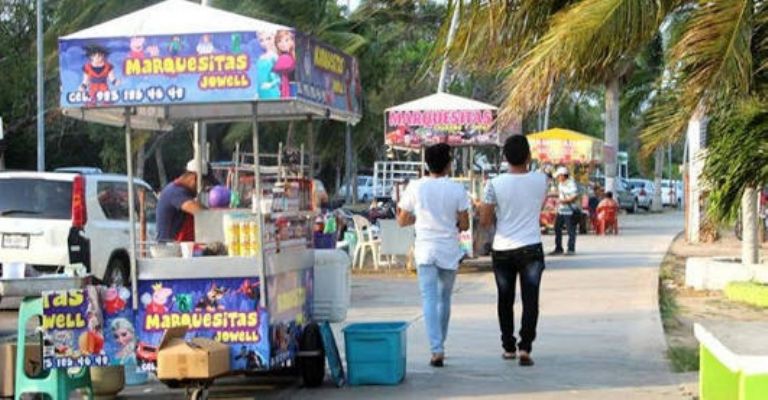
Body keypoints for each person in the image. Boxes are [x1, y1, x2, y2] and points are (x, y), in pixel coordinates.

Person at [397, 143, 470, 368]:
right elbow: (465, 224)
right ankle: (440, 343)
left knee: (428, 298)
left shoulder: (415, 187)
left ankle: (436, 348)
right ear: (448, 164)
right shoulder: (457, 189)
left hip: (425, 249)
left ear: (427, 164)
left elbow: (402, 220)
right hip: (448, 249)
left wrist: (418, 218)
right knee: (444, 298)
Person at [478, 135, 547, 367]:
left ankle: (508, 346)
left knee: (505, 299)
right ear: (529, 156)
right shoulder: (541, 180)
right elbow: (539, 207)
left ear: (505, 157)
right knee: (531, 299)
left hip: (503, 248)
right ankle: (525, 347)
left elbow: (485, 220)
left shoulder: (493, 184)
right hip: (531, 246)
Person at [156, 160, 206, 242]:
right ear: (194, 178)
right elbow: (200, 211)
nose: (203, 188)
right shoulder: (175, 191)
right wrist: (217, 214)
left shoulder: (183, 193)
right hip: (169, 247)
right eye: (204, 184)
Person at [551, 166, 579, 255]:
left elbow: (575, 196)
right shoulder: (560, 184)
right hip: (561, 210)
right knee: (557, 228)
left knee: (571, 230)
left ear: (563, 175)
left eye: (559, 176)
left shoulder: (571, 183)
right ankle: (558, 248)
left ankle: (571, 249)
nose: (558, 178)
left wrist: (565, 201)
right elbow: (560, 194)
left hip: (569, 211)